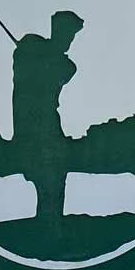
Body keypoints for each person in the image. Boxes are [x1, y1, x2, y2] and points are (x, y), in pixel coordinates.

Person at [12, 11, 83, 222]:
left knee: (56, 175)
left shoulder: (65, 65)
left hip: (49, 123)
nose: (69, 41)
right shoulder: (31, 45)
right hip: (31, 123)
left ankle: (51, 220)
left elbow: (63, 72)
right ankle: (48, 222)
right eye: (67, 34)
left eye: (71, 36)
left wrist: (44, 58)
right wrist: (34, 55)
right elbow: (23, 62)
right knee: (47, 173)